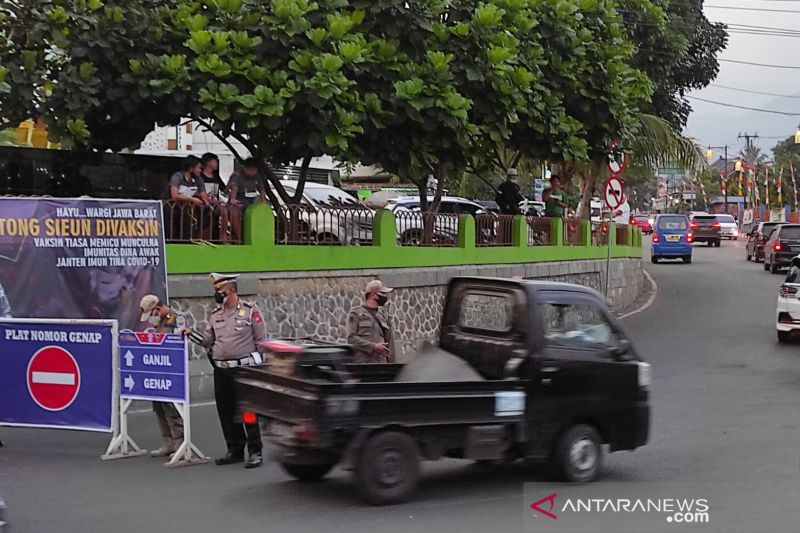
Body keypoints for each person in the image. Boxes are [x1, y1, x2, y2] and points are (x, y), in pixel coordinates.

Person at [181, 273, 266, 468]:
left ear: (232, 290)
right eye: (216, 291)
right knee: (226, 412)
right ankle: (234, 449)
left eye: (221, 290)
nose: (217, 294)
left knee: (248, 411)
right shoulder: (215, 314)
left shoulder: (250, 311)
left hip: (244, 369)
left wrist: (259, 369)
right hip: (221, 370)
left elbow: (261, 341)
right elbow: (207, 341)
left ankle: (255, 451)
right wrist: (190, 333)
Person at [139, 294, 186, 457]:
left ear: (158, 309)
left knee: (171, 409)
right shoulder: (158, 323)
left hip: (171, 371)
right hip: (157, 370)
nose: (150, 318)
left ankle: (180, 443)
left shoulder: (175, 319)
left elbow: (178, 342)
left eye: (152, 314)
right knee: (158, 407)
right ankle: (168, 443)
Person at [345, 280, 396, 363]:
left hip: (381, 364)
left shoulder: (384, 315)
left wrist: (393, 366)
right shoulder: (356, 314)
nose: (385, 296)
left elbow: (390, 344)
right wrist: (374, 346)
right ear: (373, 295)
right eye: (383, 293)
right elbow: (351, 338)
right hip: (363, 365)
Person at [162, 156, 211, 240]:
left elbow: (204, 194)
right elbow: (175, 195)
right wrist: (192, 199)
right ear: (191, 168)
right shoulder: (177, 177)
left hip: (185, 211)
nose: (200, 170)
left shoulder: (198, 179)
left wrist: (204, 200)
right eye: (198, 168)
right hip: (170, 209)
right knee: (171, 232)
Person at [227, 158, 267, 242]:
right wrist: (233, 199)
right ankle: (239, 237)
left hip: (252, 201)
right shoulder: (237, 175)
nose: (252, 173)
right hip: (239, 200)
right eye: (250, 170)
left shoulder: (258, 176)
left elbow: (262, 190)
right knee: (234, 212)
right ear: (245, 168)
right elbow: (234, 187)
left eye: (254, 170)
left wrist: (263, 202)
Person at [200, 153, 231, 243]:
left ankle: (223, 235)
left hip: (215, 204)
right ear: (208, 162)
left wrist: (231, 184)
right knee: (205, 226)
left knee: (224, 211)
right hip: (203, 204)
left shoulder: (216, 177)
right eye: (215, 161)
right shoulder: (200, 177)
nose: (217, 163)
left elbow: (224, 190)